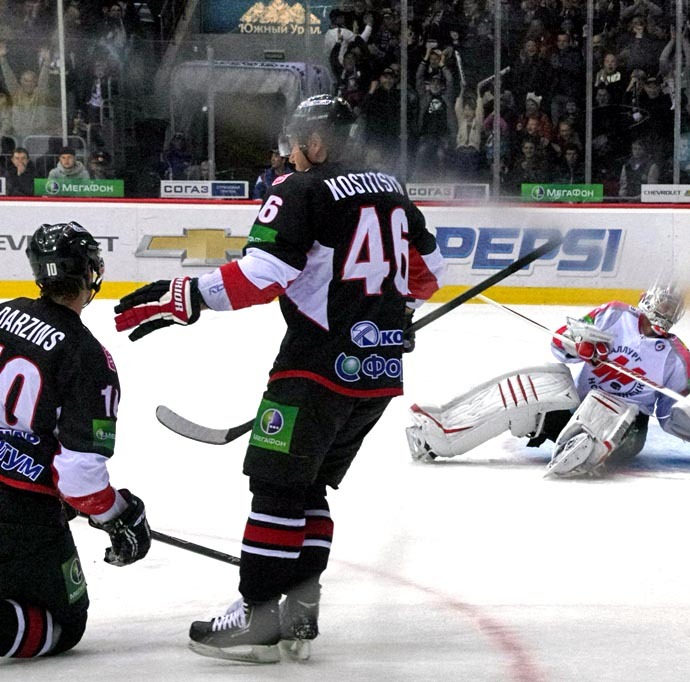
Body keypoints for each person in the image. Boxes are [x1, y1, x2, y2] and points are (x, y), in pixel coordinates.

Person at [112, 94, 446, 664]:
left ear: (316, 142)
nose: (290, 153)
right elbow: (427, 278)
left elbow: (262, 276)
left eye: (295, 142)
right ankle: (299, 613)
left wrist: (183, 297)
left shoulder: (299, 190)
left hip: (313, 369)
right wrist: (379, 313)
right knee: (306, 487)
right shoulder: (393, 190)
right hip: (378, 375)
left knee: (274, 485)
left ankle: (258, 617)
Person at [0, 221, 151, 659]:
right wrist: (118, 514)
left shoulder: (4, 312)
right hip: (18, 511)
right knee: (64, 623)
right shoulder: (87, 357)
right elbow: (80, 477)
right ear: (90, 274)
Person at [405, 279, 690, 478]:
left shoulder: (677, 355)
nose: (664, 310)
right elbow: (559, 344)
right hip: (574, 408)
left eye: (670, 307)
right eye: (662, 301)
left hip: (627, 429)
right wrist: (578, 345)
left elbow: (667, 414)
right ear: (647, 296)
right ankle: (442, 433)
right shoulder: (613, 314)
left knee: (607, 406)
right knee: (542, 381)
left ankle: (589, 450)